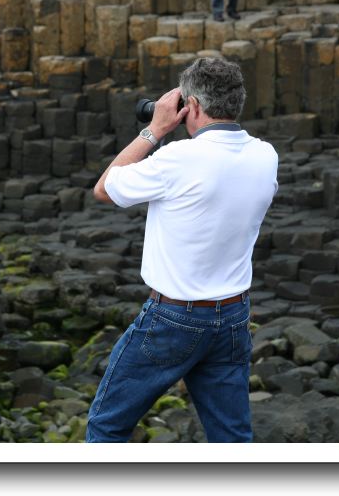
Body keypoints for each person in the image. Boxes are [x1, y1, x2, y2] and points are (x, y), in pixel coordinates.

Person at [86, 57, 279, 443]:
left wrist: (154, 130)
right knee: (233, 438)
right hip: (233, 317)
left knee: (107, 426)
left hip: (172, 319)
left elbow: (105, 188)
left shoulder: (178, 159)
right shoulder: (265, 156)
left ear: (189, 106)